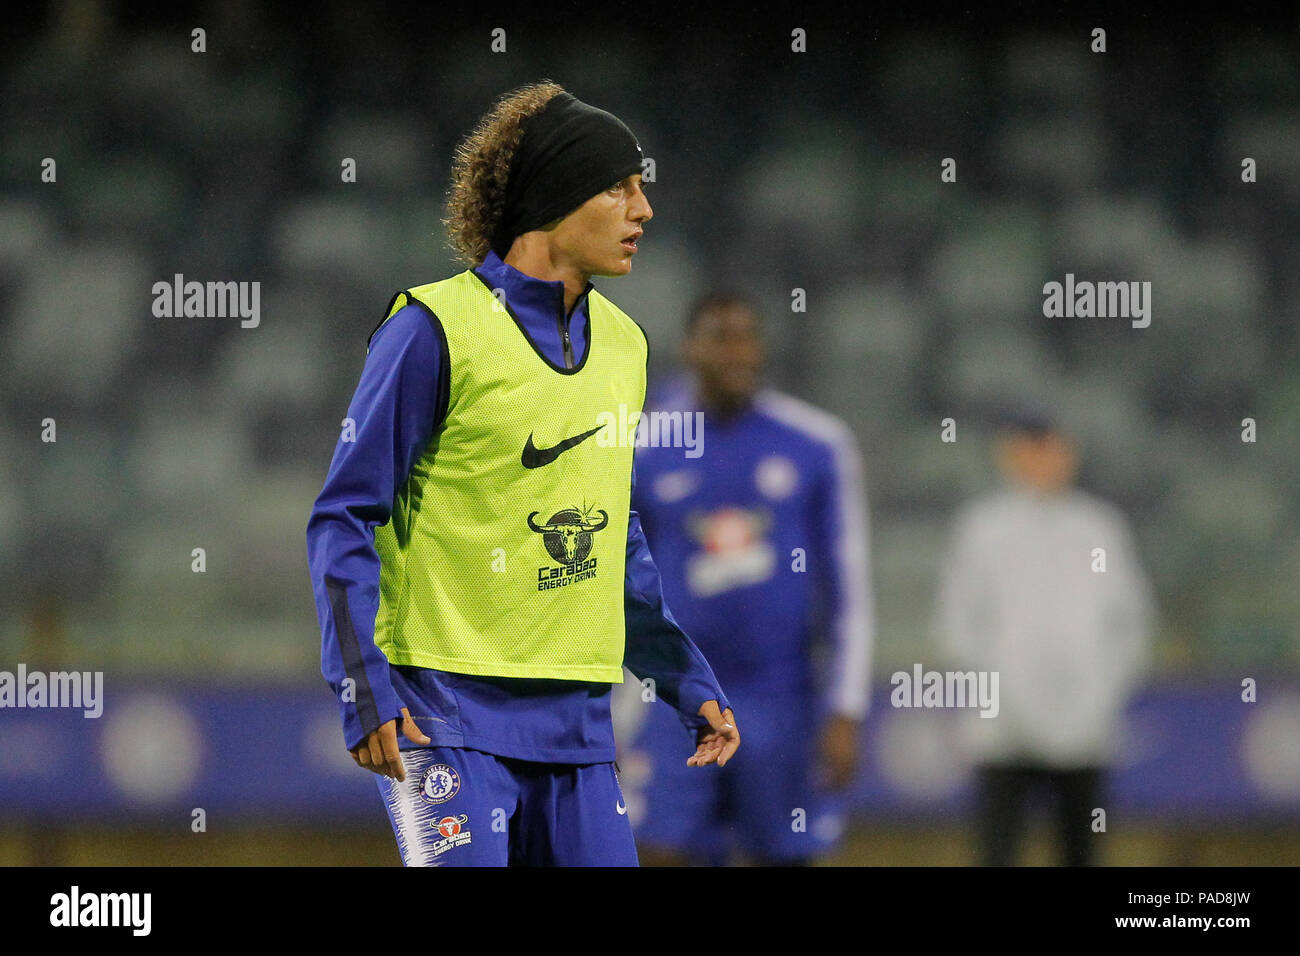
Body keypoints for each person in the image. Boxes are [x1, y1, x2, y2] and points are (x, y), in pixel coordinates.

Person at [305, 80, 739, 867]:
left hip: (579, 718)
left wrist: (681, 675)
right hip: (443, 712)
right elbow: (342, 518)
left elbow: (614, 534)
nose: (644, 211)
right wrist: (362, 686)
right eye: (620, 187)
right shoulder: (431, 330)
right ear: (553, 196)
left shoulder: (627, 346)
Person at [624, 293, 873, 866]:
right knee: (665, 850)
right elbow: (617, 579)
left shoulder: (816, 442)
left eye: (746, 336)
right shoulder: (643, 444)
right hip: (674, 697)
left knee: (787, 853)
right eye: (719, 336)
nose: (736, 351)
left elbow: (849, 588)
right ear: (690, 347)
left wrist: (846, 705)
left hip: (782, 695)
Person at [935, 406, 1156, 866]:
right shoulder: (982, 528)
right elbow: (958, 624)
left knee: (1081, 848)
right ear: (1009, 457)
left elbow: (1131, 622)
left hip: (1085, 731)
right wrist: (1002, 696)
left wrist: (1101, 695)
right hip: (1002, 733)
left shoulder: (1099, 527)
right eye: (1029, 451)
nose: (1042, 462)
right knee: (998, 850)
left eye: (1051, 450)